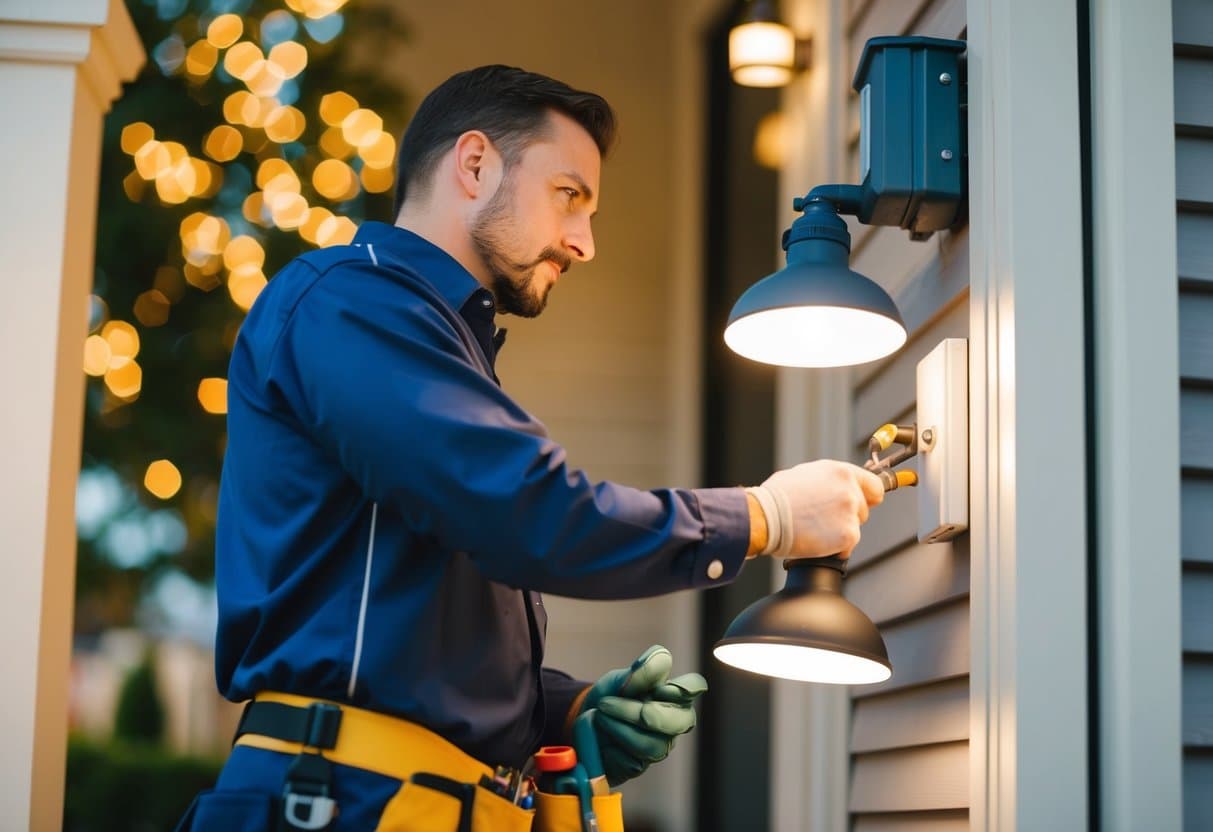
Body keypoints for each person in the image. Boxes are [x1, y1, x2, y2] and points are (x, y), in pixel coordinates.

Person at [177, 65, 883, 831]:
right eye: (569, 197)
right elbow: (523, 512)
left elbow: (399, 619)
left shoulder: (431, 342)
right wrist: (765, 516)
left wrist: (562, 707)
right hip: (337, 804)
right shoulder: (353, 302)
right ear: (475, 164)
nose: (583, 243)